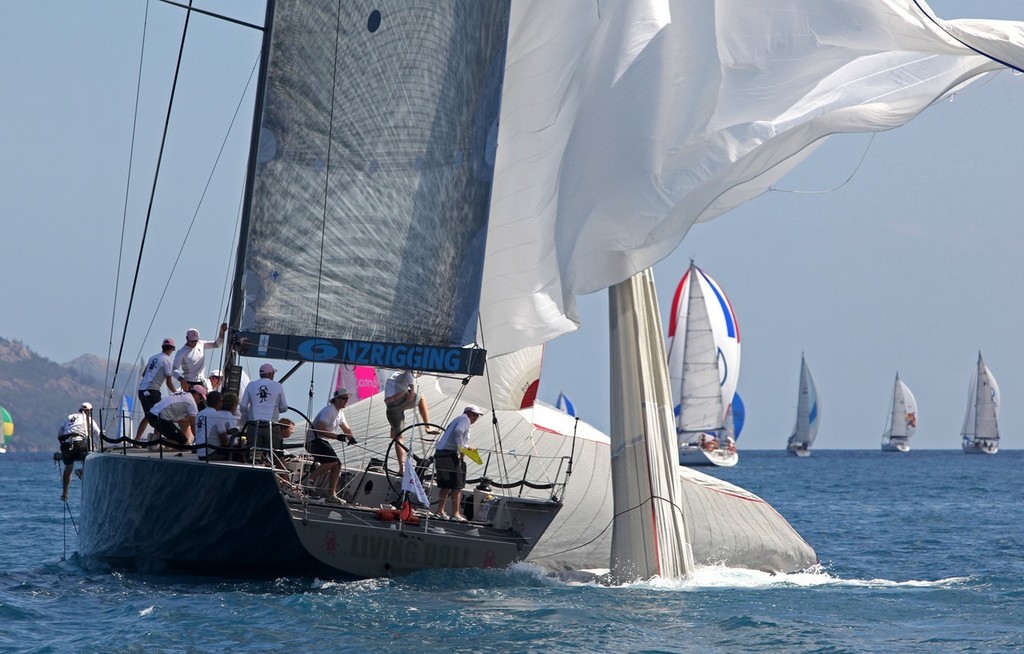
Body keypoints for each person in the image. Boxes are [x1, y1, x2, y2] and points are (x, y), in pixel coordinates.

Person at [306, 389, 358, 503]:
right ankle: (309, 480)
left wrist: (351, 438)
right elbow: (319, 428)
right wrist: (336, 437)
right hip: (313, 441)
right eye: (344, 399)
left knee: (337, 465)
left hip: (321, 441)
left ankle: (331, 494)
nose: (346, 401)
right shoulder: (329, 410)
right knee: (332, 461)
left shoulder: (340, 413)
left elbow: (346, 428)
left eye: (347, 399)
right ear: (337, 399)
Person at [433, 405, 484, 521]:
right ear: (467, 412)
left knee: (446, 485)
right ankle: (456, 514)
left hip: (441, 453)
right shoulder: (465, 419)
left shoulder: (458, 419)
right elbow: (458, 432)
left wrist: (464, 448)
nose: (475, 417)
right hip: (449, 455)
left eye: (477, 415)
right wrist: (461, 448)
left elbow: (455, 435)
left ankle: (440, 511)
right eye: (474, 414)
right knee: (457, 486)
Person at [383, 369, 437, 475]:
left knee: (398, 438)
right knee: (421, 398)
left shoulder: (394, 376)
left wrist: (392, 427)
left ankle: (401, 469)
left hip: (390, 407)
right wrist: (412, 389)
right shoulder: (408, 370)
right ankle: (427, 426)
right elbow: (409, 372)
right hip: (398, 400)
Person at [135, 337, 178, 442]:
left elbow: (144, 374)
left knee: (148, 416)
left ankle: (137, 439)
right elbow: (169, 382)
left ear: (162, 347)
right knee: (160, 414)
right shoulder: (167, 360)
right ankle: (157, 439)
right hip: (152, 390)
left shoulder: (152, 357)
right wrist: (177, 393)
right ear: (172, 349)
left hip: (141, 390)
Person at [239, 363, 288, 454]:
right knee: (275, 452)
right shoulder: (278, 386)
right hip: (271, 426)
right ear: (270, 374)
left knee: (254, 452)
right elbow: (284, 407)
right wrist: (276, 410)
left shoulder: (251, 385)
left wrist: (248, 419)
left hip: (253, 425)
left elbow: (243, 407)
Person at [58, 402, 100, 501]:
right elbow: (98, 434)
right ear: (89, 411)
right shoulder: (89, 419)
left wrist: (64, 447)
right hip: (79, 444)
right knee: (93, 454)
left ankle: (65, 493)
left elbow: (60, 433)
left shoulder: (69, 417)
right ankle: (81, 471)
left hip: (65, 446)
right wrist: (101, 447)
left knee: (68, 467)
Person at [172, 323, 227, 390]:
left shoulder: (201, 344)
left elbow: (217, 345)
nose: (194, 343)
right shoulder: (181, 352)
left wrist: (221, 332)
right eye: (192, 341)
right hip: (189, 382)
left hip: (201, 381)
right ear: (187, 338)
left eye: (196, 341)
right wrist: (181, 379)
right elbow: (174, 369)